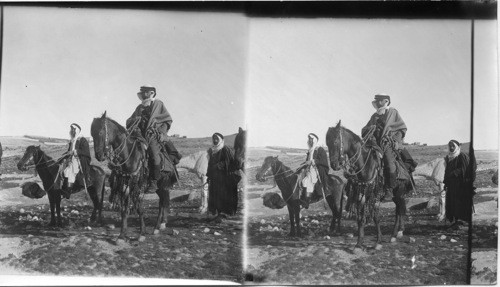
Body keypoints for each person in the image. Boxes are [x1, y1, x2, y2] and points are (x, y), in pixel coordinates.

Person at [126, 85, 173, 193]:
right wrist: (135, 120)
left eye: (145, 92)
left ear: (151, 93)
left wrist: (161, 132)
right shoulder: (139, 107)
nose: (143, 94)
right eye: (142, 92)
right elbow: (130, 120)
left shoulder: (158, 104)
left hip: (151, 134)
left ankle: (154, 181)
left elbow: (167, 120)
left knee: (154, 153)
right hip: (139, 134)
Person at [362, 94, 407, 202]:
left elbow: (401, 128)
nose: (377, 103)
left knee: (388, 160)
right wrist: (369, 132)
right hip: (374, 143)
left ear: (385, 101)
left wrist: (395, 140)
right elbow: (366, 128)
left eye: (379, 101)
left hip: (387, 142)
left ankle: (389, 189)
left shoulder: (392, 112)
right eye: (376, 101)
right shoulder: (374, 116)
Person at [443, 140, 475, 229]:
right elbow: (446, 171)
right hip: (451, 185)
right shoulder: (449, 157)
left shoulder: (462, 156)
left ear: (457, 146)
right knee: (452, 203)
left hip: (460, 185)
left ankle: (460, 222)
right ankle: (455, 221)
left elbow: (464, 169)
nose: (451, 148)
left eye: (453, 146)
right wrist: (445, 182)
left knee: (459, 203)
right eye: (450, 146)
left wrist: (454, 173)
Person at [206, 133, 239, 216]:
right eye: (214, 139)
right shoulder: (212, 151)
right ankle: (218, 213)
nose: (215, 140)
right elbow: (209, 164)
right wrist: (209, 176)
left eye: (217, 139)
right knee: (216, 196)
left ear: (221, 140)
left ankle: (225, 213)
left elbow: (229, 161)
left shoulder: (225, 149)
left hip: (225, 177)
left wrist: (218, 165)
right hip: (215, 178)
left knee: (224, 195)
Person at [299, 133, 330, 208]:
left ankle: (306, 200)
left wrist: (313, 161)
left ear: (314, 140)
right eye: (309, 139)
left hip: (317, 169)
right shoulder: (310, 150)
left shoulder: (320, 149)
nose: (309, 141)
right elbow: (308, 160)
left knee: (306, 180)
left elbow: (323, 160)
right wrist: (305, 164)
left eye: (311, 139)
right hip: (309, 168)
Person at [61, 123, 92, 199]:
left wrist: (75, 152)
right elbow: (69, 151)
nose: (71, 131)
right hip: (71, 158)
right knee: (61, 167)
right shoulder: (72, 140)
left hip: (80, 159)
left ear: (77, 131)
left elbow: (85, 152)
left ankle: (68, 191)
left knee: (70, 170)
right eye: (71, 129)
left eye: (73, 129)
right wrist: (65, 155)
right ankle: (62, 187)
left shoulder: (82, 140)